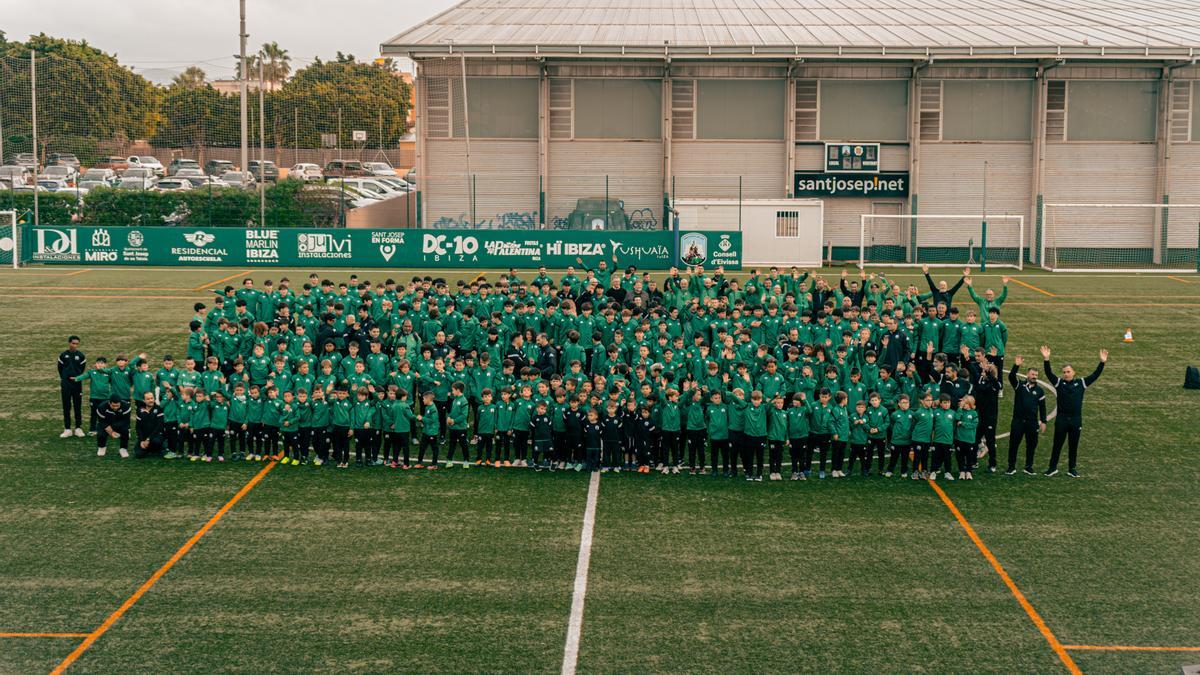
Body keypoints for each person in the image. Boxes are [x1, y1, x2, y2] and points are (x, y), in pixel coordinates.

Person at [1041, 346, 1107, 477]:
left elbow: (1095, 375)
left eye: (1068, 371)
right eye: (1064, 372)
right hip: (1061, 419)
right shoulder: (1059, 383)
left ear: (1074, 372)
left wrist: (1102, 362)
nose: (1066, 374)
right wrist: (1046, 359)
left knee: (1073, 445)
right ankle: (1052, 468)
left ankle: (1072, 469)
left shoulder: (1081, 383)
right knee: (1057, 445)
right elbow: (1049, 374)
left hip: (1076, 420)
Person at [1006, 356, 1048, 475]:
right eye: (1032, 374)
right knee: (1013, 445)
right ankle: (1011, 467)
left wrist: (1043, 421)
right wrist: (1016, 365)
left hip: (1032, 422)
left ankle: (1028, 467)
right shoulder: (1019, 386)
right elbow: (1011, 377)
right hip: (1018, 421)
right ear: (1027, 375)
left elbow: (1042, 407)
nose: (1034, 377)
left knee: (1031, 445)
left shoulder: (1040, 391)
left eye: (1036, 375)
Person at [58, 335, 87, 438]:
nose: (75, 345)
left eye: (76, 344)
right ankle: (67, 429)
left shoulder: (81, 356)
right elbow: (60, 369)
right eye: (73, 343)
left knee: (77, 405)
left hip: (77, 384)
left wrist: (77, 378)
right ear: (69, 343)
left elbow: (82, 368)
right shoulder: (63, 355)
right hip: (66, 384)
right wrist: (65, 378)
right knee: (66, 406)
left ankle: (78, 428)